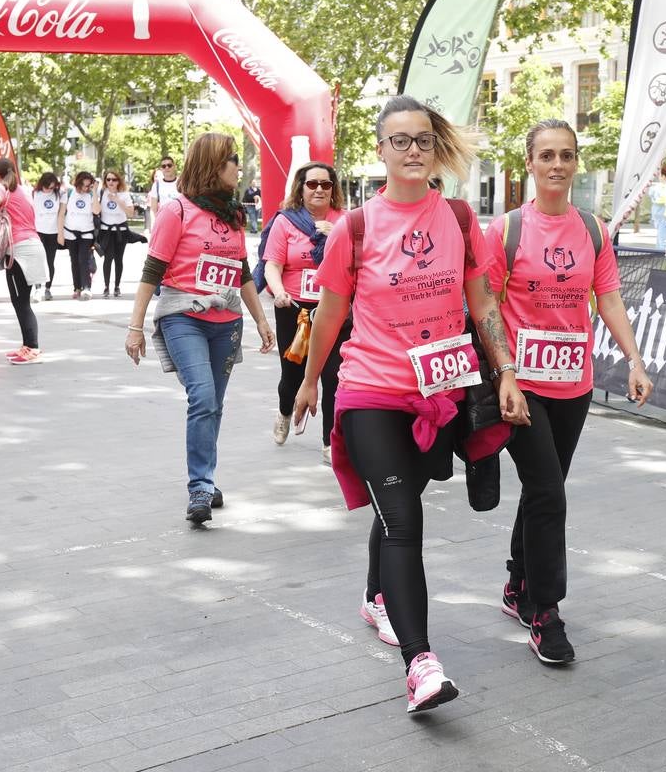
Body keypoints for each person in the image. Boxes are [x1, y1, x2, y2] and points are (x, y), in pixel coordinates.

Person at [293, 95, 529, 714]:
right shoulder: (356, 228)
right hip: (372, 388)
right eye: (400, 141)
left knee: (401, 499)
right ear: (379, 151)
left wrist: (506, 370)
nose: (413, 150)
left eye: (422, 140)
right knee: (404, 519)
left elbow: (482, 305)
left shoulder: (456, 218)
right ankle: (421, 664)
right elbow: (331, 315)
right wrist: (311, 380)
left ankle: (377, 597)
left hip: (441, 391)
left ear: (435, 149)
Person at [485, 119, 653, 665]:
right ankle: (544, 610)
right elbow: (485, 305)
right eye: (547, 155)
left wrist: (633, 358)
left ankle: (516, 584)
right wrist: (504, 370)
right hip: (522, 384)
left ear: (577, 163)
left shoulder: (594, 230)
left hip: (573, 383)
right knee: (551, 494)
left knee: (544, 488)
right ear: (529, 163)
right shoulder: (506, 230)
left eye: (567, 155)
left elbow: (607, 299)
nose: (558, 165)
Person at [124, 133, 276, 524]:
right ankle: (199, 489)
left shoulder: (234, 213)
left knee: (214, 405)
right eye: (232, 161)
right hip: (182, 317)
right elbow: (152, 270)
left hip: (227, 323)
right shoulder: (177, 211)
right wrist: (135, 327)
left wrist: (261, 319)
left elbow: (242, 271)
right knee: (203, 398)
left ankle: (206, 478)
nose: (238, 168)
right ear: (213, 165)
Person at [262, 161, 346, 463]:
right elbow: (272, 263)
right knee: (293, 375)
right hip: (294, 309)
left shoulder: (345, 221)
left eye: (326, 184)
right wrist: (278, 290)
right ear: (301, 188)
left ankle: (329, 441)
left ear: (333, 189)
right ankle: (285, 410)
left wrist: (336, 233)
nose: (320, 189)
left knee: (333, 375)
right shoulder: (286, 222)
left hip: (334, 309)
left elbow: (361, 259)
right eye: (313, 184)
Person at [0, 158, 47, 364]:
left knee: (21, 303)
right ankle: (27, 345)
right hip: (29, 246)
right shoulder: (20, 190)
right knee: (21, 301)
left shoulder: (2, 188)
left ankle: (33, 348)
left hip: (20, 251)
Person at [58, 171, 98, 300]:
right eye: (84, 185)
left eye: (88, 186)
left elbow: (96, 211)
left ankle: (87, 287)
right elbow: (62, 213)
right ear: (78, 183)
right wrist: (60, 233)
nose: (86, 188)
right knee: (74, 261)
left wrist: (95, 192)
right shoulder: (69, 194)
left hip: (87, 233)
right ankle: (77, 287)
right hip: (70, 232)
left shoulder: (91, 195)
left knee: (83, 260)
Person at [98, 169, 134, 298]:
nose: (111, 182)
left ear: (118, 181)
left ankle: (117, 286)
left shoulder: (124, 194)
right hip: (106, 231)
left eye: (114, 179)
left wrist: (117, 200)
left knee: (119, 259)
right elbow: (96, 209)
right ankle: (106, 286)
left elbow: (130, 213)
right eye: (108, 179)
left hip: (121, 231)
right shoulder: (102, 192)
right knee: (108, 259)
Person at [32, 171, 62, 301]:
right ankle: (37, 288)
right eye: (47, 187)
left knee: (50, 261)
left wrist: (61, 233)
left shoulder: (59, 194)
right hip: (38, 231)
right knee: (38, 260)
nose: (50, 190)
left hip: (53, 231)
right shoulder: (35, 194)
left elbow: (61, 215)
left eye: (52, 187)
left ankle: (48, 288)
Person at [146, 155, 180, 228]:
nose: (166, 168)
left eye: (169, 165)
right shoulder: (156, 185)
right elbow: (154, 209)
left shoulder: (182, 183)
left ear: (174, 166)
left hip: (180, 221)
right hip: (164, 223)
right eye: (164, 166)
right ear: (161, 169)